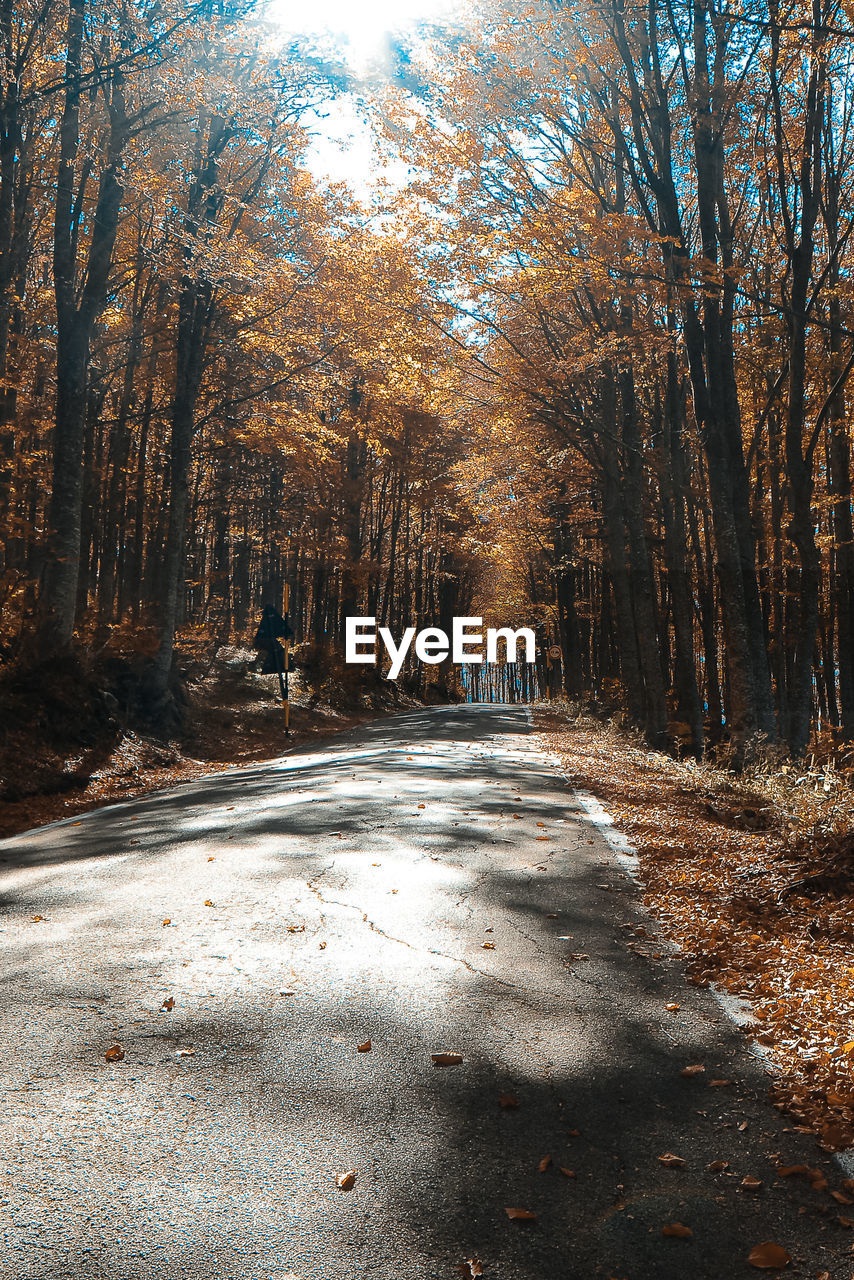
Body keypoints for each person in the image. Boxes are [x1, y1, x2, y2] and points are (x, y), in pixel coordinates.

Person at [253, 605, 293, 675]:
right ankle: (273, 668)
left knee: (278, 652)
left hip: (268, 643)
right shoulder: (265, 623)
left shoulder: (269, 621)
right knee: (277, 652)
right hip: (266, 643)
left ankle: (276, 668)